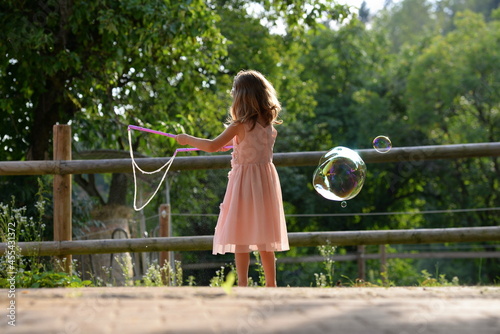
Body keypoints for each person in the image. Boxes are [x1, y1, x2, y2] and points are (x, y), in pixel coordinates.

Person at [175, 70, 289, 287]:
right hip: (265, 183)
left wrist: (186, 139)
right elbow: (252, 146)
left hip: (245, 184)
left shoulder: (239, 125)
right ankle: (271, 284)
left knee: (240, 233)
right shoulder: (268, 124)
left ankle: (243, 285)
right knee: (266, 234)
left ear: (242, 97)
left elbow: (211, 146)